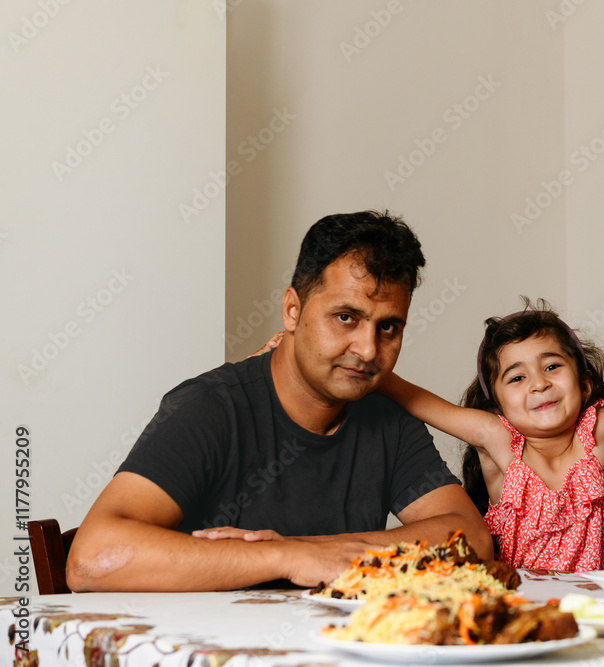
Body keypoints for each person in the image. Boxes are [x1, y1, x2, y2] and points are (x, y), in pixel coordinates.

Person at [66, 211, 491, 592]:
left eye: (389, 328)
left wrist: (315, 549)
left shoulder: (386, 419)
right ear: (292, 310)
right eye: (346, 317)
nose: (366, 349)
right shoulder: (211, 407)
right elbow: (91, 559)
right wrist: (286, 557)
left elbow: (471, 537)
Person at [376, 301, 604, 571]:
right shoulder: (498, 441)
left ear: (584, 385)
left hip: (600, 610)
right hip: (520, 614)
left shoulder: (601, 430)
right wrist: (368, 366)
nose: (539, 384)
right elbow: (416, 400)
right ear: (497, 405)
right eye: (517, 377)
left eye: (552, 366)